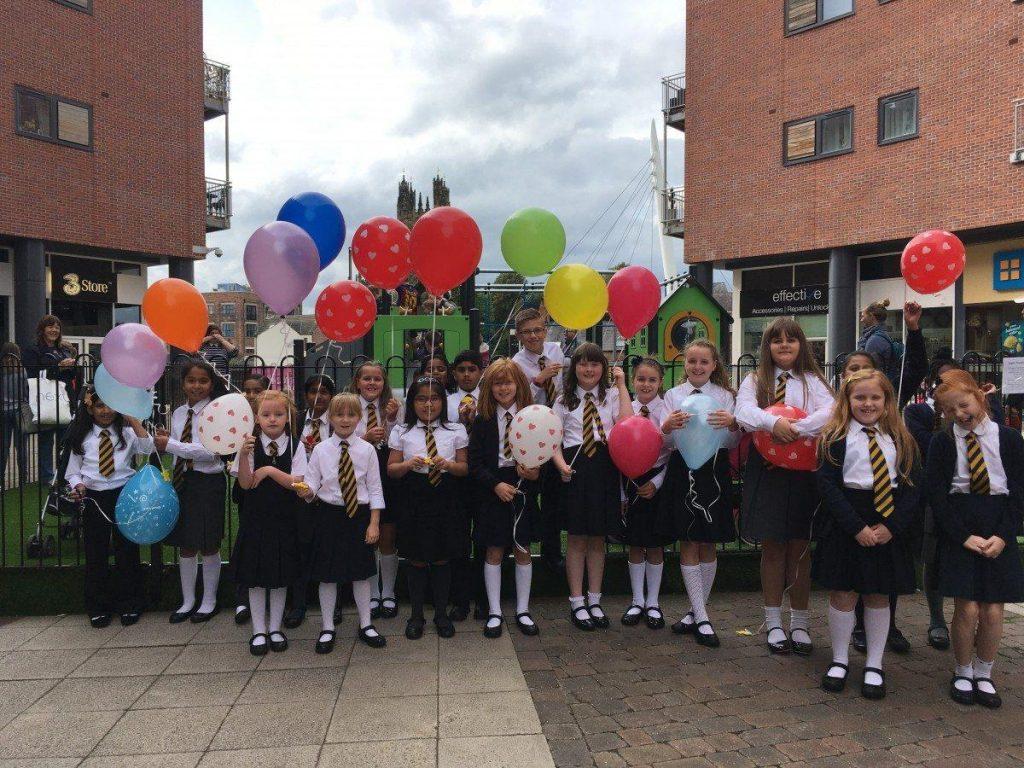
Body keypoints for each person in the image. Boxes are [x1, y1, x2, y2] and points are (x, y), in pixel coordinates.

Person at [813, 370, 921, 700]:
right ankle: (840, 659)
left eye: (875, 397)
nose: (868, 403)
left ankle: (875, 663)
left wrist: (892, 527)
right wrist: (855, 527)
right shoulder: (833, 437)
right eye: (859, 397)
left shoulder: (901, 439)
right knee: (843, 593)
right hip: (847, 520)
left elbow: (914, 488)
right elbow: (827, 486)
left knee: (878, 594)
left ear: (887, 401)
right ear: (847, 401)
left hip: (886, 522)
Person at [735, 318, 834, 655]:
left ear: (801, 344)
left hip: (803, 473)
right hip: (767, 472)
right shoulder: (755, 380)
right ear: (767, 347)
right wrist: (773, 422)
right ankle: (773, 621)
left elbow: (832, 412)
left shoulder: (813, 381)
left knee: (800, 548)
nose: (784, 345)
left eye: (791, 339)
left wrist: (797, 428)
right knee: (773, 547)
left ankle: (800, 623)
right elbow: (744, 412)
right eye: (776, 340)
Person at [929, 372, 1023, 709]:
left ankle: (984, 672)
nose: (959, 414)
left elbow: (1019, 491)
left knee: (993, 610)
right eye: (950, 410)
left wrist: (1004, 535)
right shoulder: (942, 443)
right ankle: (963, 670)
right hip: (961, 526)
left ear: (980, 397)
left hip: (999, 523)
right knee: (966, 607)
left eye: (964, 405)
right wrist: (961, 536)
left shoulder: (1008, 438)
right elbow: (937, 495)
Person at [661, 341, 740, 646]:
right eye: (692, 361)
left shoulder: (725, 396)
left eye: (704, 361)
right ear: (684, 363)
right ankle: (702, 617)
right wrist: (667, 426)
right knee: (689, 539)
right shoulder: (673, 395)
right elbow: (666, 443)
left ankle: (697, 612)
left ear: (714, 365)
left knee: (708, 541)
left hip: (714, 469)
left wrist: (731, 425)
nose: (697, 366)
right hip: (683, 468)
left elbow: (731, 443)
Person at [552, 343, 633, 632]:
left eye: (595, 364)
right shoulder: (563, 400)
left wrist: (621, 384)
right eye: (583, 364)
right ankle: (577, 600)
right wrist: (561, 465)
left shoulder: (611, 396)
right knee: (577, 538)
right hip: (575, 468)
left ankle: (595, 599)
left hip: (603, 467)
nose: (589, 369)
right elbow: (553, 439)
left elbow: (626, 422)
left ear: (603, 368)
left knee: (598, 538)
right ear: (574, 368)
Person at [298, 393, 386, 651]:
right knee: (327, 575)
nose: (345, 420)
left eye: (351, 414)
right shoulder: (320, 450)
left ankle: (366, 624)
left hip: (359, 516)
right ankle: (327, 627)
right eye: (339, 415)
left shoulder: (367, 450)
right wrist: (306, 491)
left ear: (359, 418)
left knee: (361, 574)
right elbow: (312, 483)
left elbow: (375, 489)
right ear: (330, 418)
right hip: (329, 516)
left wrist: (374, 523)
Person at [387, 376, 469, 640]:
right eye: (421, 399)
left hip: (445, 497)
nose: (428, 404)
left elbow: (464, 468)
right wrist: (408, 464)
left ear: (443, 402)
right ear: (412, 403)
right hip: (414, 497)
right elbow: (392, 469)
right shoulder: (402, 431)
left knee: (442, 557)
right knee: (417, 558)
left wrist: (448, 465)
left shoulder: (455, 430)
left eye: (434, 398)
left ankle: (441, 614)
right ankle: (416, 615)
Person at [65, 387, 153, 628]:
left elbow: (147, 447)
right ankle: (98, 606)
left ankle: (130, 603)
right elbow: (73, 472)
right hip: (94, 497)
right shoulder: (81, 437)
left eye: (110, 405)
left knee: (127, 550)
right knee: (96, 552)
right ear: (90, 408)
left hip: (123, 494)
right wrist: (79, 485)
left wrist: (131, 418)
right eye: (99, 406)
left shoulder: (126, 434)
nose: (105, 411)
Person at [468, 359, 540, 638]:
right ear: (489, 388)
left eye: (508, 382)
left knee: (523, 550)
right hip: (493, 489)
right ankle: (495, 611)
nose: (503, 388)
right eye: (497, 383)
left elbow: (544, 454)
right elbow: (475, 464)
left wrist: (534, 473)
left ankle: (523, 610)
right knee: (494, 550)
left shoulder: (531, 417)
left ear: (519, 385)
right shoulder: (482, 420)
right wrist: (495, 484)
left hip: (522, 487)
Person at [231, 390, 305, 655]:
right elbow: (245, 483)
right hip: (256, 520)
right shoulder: (249, 446)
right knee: (256, 578)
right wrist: (243, 457)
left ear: (288, 417)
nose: (272, 419)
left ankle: (275, 627)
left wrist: (270, 471)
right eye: (266, 414)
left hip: (284, 520)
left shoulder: (295, 445)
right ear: (256, 418)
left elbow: (299, 483)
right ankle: (259, 630)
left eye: (278, 414)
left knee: (280, 577)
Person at [155, 359, 227, 624]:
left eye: (203, 381)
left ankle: (209, 601)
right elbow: (176, 449)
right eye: (191, 380)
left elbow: (212, 452)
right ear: (183, 383)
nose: (197, 386)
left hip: (207, 483)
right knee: (186, 544)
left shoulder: (217, 412)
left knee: (208, 543)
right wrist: (167, 441)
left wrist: (171, 445)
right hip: (182, 482)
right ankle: (187, 601)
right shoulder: (178, 413)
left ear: (212, 383)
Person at [619, 359, 673, 631]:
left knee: (654, 544)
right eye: (641, 379)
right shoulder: (626, 408)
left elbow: (672, 452)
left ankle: (653, 602)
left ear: (660, 382)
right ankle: (637, 600)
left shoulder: (666, 411)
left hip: (656, 481)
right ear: (633, 380)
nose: (646, 384)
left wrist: (657, 482)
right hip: (631, 479)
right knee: (635, 542)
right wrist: (623, 492)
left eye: (652, 380)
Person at [511, 308, 566, 571]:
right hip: (532, 432)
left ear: (545, 330)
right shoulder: (516, 364)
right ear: (519, 336)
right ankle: (525, 547)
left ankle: (552, 554)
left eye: (537, 330)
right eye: (527, 332)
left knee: (554, 496)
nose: (533, 336)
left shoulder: (556, 351)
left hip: (559, 428)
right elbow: (517, 401)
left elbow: (565, 388)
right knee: (531, 493)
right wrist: (538, 380)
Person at [348, 361, 402, 620]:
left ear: (384, 382)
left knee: (387, 534)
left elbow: (399, 442)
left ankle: (388, 592)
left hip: (386, 471)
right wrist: (364, 439)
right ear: (357, 382)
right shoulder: (348, 406)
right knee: (366, 536)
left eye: (377, 379)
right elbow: (340, 441)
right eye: (366, 378)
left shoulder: (393, 406)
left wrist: (390, 420)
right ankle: (370, 593)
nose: (372, 383)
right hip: (358, 474)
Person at [287, 373, 336, 629]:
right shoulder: (295, 421)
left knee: (329, 547)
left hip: (329, 492)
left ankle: (335, 605)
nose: (318, 396)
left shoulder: (337, 421)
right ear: (305, 395)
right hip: (300, 492)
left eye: (324, 392)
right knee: (300, 547)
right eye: (313, 391)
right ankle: (299, 604)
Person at [446, 350, 486, 622]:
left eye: (472, 369)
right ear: (454, 373)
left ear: (481, 372)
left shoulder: (490, 400)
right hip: (456, 479)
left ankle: (483, 598)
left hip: (484, 477)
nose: (467, 374)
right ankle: (460, 599)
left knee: (483, 540)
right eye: (461, 370)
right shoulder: (447, 402)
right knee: (458, 540)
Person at [232, 372, 271, 625]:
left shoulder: (274, 415)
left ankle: (271, 595)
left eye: (257, 390)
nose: (251, 395)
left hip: (274, 492)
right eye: (247, 390)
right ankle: (242, 598)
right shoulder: (237, 419)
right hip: (247, 489)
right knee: (247, 543)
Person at [22, 315, 79, 485]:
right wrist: (58, 367)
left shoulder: (63, 350)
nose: (54, 330)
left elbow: (72, 377)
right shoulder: (33, 350)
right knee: (46, 441)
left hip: (64, 400)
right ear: (42, 329)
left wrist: (71, 367)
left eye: (57, 327)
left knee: (65, 440)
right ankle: (46, 477)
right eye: (50, 327)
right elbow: (33, 375)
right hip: (45, 401)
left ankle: (63, 474)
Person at [845, 301, 926, 408]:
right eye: (855, 369)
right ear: (843, 375)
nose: (862, 373)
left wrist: (913, 328)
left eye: (866, 368)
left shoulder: (875, 341)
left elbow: (917, 369)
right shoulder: (838, 408)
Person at [0, 342, 29, 488]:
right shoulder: (22, 371)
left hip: (4, 410)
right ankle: (23, 478)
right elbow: (27, 391)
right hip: (20, 410)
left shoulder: (2, 370)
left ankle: (1, 478)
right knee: (21, 446)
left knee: (3, 447)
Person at [857, 300, 900, 384]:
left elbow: (871, 371)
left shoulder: (875, 340)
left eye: (863, 316)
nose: (861, 320)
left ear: (872, 316)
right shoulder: (880, 336)